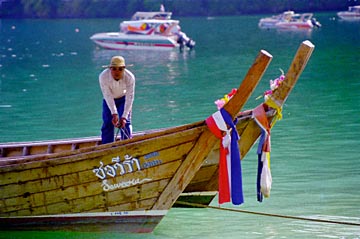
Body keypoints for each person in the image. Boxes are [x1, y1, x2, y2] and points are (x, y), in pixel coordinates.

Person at [99, 56, 135, 144]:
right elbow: (107, 95)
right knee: (108, 122)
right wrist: (114, 113)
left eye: (120, 69)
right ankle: (107, 146)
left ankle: (127, 144)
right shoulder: (103, 76)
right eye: (114, 69)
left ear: (124, 69)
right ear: (110, 69)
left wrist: (124, 116)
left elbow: (130, 97)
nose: (117, 72)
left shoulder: (130, 77)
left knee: (125, 122)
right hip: (109, 100)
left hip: (124, 99)